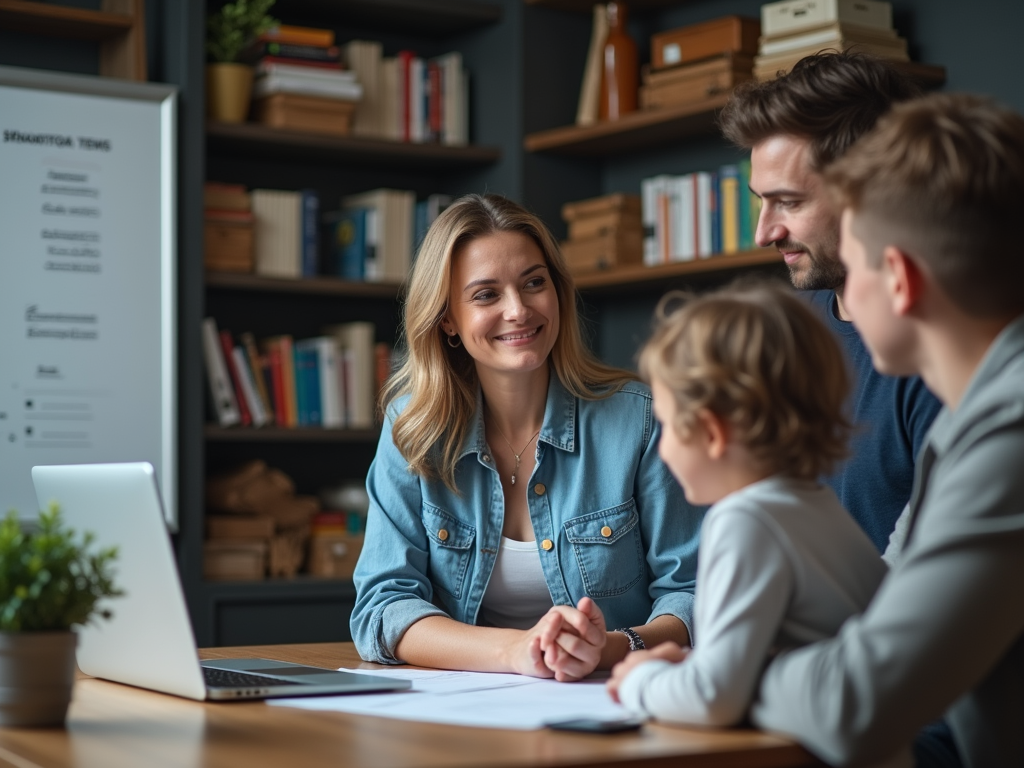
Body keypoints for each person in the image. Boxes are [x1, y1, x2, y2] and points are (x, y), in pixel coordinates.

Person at [747, 93, 1024, 768]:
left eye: (859, 257)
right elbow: (883, 605)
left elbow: (856, 700)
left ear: (897, 278)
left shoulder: (1009, 430)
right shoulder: (970, 420)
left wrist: (715, 679)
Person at [349, 193, 701, 681]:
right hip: (466, 709)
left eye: (534, 283)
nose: (518, 310)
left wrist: (612, 648)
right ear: (447, 318)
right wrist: (516, 651)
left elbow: (691, 593)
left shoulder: (639, 420)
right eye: (486, 294)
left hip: (613, 697)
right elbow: (382, 608)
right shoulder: (412, 429)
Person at [605, 282, 886, 726]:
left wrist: (643, 678)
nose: (663, 451)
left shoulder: (743, 521)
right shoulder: (815, 505)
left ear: (713, 434)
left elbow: (714, 698)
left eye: (668, 426)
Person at [719, 52, 942, 553]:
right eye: (760, 200)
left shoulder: (942, 352)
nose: (763, 233)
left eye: (790, 202)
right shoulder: (796, 327)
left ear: (874, 193)